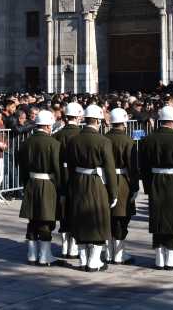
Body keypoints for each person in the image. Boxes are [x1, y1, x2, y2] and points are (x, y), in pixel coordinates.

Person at [65, 104, 117, 273]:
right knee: (97, 219)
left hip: (78, 181)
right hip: (96, 183)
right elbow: (109, 169)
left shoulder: (74, 140)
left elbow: (70, 166)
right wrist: (113, 192)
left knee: (80, 219)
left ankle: (83, 259)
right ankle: (94, 261)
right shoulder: (103, 141)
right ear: (96, 120)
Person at [140, 105, 173, 270]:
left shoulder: (148, 139)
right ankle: (172, 259)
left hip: (155, 180)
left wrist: (148, 187)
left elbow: (144, 167)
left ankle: (159, 258)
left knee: (158, 217)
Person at [18, 109, 63, 266]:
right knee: (46, 220)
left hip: (31, 182)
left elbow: (22, 168)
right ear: (48, 126)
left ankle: (31, 254)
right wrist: (60, 187)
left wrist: (26, 184)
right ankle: (44, 256)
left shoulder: (26, 143)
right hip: (47, 184)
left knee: (33, 219)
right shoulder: (54, 144)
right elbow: (57, 169)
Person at [104, 107, 140, 264]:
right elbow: (133, 167)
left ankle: (108, 251)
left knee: (109, 218)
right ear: (124, 123)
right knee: (122, 218)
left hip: (106, 180)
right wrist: (135, 187)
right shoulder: (128, 141)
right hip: (123, 182)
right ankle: (118, 253)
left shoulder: (104, 138)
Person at [52, 101, 83, 260]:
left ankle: (65, 246)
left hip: (60, 175)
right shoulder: (81, 135)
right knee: (75, 211)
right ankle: (74, 248)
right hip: (76, 175)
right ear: (78, 117)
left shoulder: (58, 134)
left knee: (63, 212)